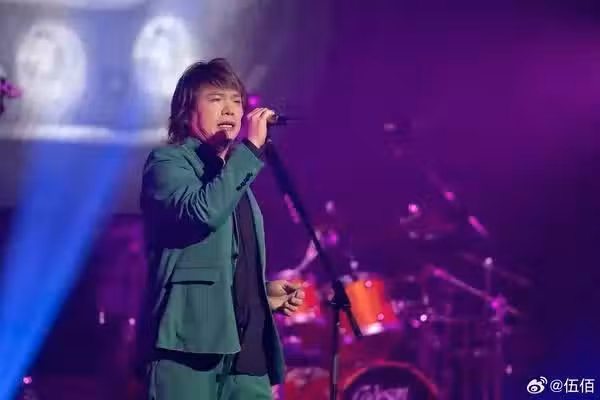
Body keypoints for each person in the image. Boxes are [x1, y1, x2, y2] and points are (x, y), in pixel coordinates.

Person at [138, 58, 305, 400]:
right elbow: (201, 213)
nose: (229, 109)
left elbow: (226, 262)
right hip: (188, 347)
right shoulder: (168, 163)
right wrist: (251, 150)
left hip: (246, 352)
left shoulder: (235, 177)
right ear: (187, 111)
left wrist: (261, 294)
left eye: (236, 101)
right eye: (216, 99)